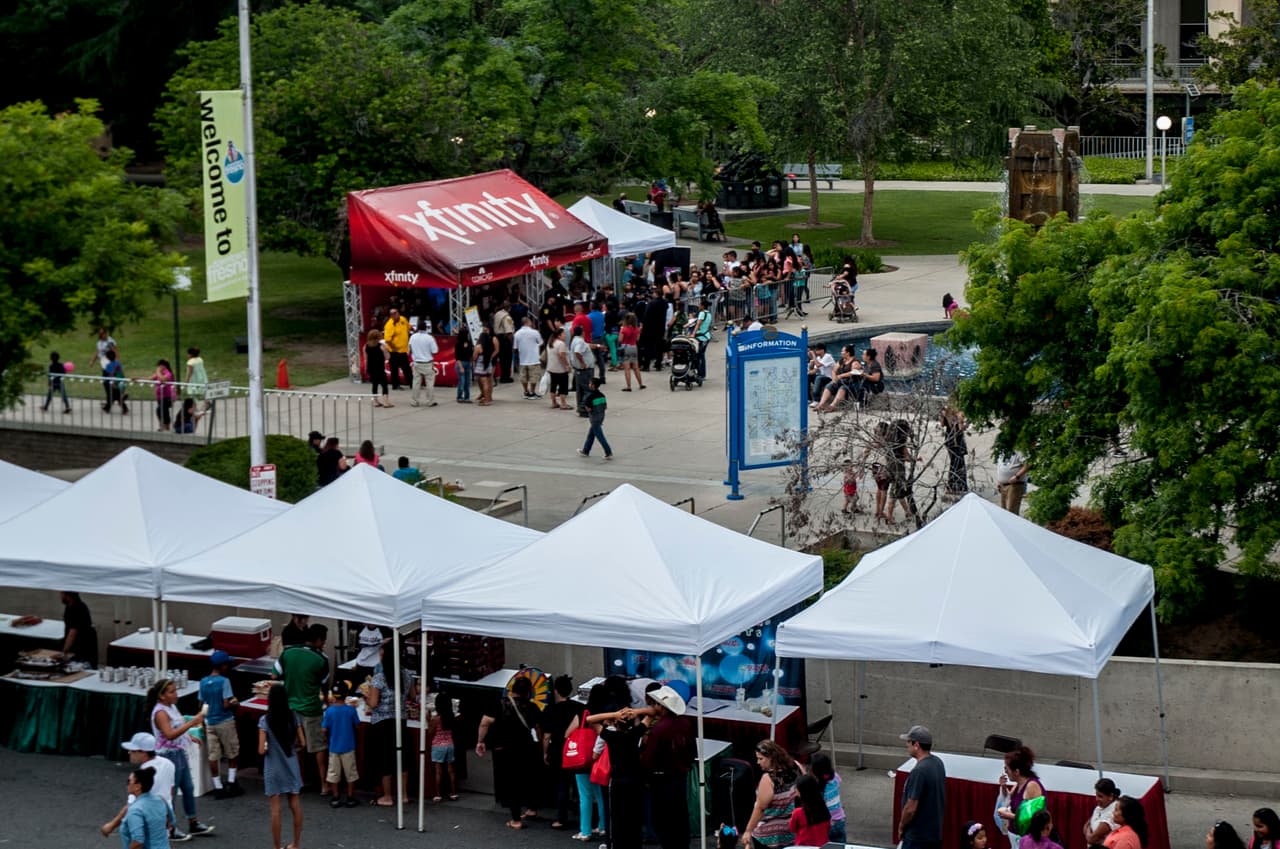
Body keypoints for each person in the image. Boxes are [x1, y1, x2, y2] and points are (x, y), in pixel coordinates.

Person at [146, 678, 213, 837]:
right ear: (162, 696)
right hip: (167, 756)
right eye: (172, 692)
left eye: (175, 690)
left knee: (188, 788)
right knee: (171, 793)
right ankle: (169, 828)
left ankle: (193, 822)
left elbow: (177, 727)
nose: (176, 694)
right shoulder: (160, 712)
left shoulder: (172, 707)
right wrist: (193, 723)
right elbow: (169, 734)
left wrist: (189, 737)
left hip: (178, 753)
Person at [475, 675, 543, 829]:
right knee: (529, 778)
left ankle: (516, 819)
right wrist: (540, 746)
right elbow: (538, 728)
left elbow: (484, 723)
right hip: (527, 748)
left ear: (511, 690)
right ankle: (532, 809)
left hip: (505, 749)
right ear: (529, 692)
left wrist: (480, 741)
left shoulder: (499, 704)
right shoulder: (532, 707)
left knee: (512, 783)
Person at [274, 623, 330, 794]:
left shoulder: (287, 653)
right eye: (323, 641)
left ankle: (299, 781)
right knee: (318, 747)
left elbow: (275, 674)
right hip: (312, 708)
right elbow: (324, 685)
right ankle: (324, 785)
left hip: (291, 708)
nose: (324, 644)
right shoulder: (321, 659)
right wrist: (326, 699)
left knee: (296, 746)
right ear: (318, 640)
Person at [639, 686, 696, 849]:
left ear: (662, 707)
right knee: (679, 817)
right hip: (679, 776)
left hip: (661, 779)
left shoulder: (659, 729)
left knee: (662, 821)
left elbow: (648, 758)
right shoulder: (685, 723)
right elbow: (692, 751)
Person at [103, 733, 177, 842]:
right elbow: (170, 792)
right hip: (162, 820)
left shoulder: (141, 775)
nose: (129, 753)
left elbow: (132, 805)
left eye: (133, 750)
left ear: (143, 752)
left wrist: (112, 825)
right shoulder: (169, 764)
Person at [259, 683, 304, 849]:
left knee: (275, 810)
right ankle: (296, 843)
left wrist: (267, 746)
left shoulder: (265, 720)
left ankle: (276, 847)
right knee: (295, 804)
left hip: (273, 767)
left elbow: (260, 749)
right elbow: (303, 742)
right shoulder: (293, 717)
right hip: (291, 764)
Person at [365, 642, 408, 807]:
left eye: (381, 654)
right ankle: (403, 795)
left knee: (385, 760)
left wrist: (366, 696)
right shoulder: (406, 674)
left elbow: (374, 703)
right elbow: (412, 695)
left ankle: (388, 796)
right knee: (402, 758)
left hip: (382, 723)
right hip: (401, 720)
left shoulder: (379, 679)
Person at [542, 675, 585, 830]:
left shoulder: (550, 709)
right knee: (579, 785)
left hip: (558, 750)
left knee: (562, 785)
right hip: (577, 749)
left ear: (555, 691)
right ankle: (583, 814)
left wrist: (545, 753)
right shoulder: (579, 707)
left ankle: (561, 818)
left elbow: (546, 736)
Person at [198, 650, 243, 798]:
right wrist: (234, 702)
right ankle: (231, 783)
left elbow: (201, 704)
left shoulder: (203, 682)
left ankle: (218, 787)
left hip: (210, 721)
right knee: (232, 752)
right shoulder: (225, 681)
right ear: (223, 666)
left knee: (213, 756)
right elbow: (225, 704)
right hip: (225, 721)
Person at [741, 739, 800, 848]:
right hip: (790, 830)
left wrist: (748, 830)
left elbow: (760, 808)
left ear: (771, 757)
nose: (758, 762)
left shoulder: (768, 779)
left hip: (768, 835)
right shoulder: (796, 767)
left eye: (761, 758)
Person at [897, 725, 945, 849]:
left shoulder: (919, 771)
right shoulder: (938, 763)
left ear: (916, 745)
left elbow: (911, 808)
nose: (907, 745)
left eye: (908, 741)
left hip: (917, 838)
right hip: (934, 835)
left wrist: (901, 826)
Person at [322, 682, 361, 808]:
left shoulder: (329, 711)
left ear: (333, 695)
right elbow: (357, 725)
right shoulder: (351, 710)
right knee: (350, 773)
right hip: (348, 746)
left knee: (333, 773)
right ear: (346, 695)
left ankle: (336, 797)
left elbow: (324, 729)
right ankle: (350, 797)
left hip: (334, 747)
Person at [114, 769, 175, 849]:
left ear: (138, 786)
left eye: (129, 781)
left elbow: (138, 841)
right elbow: (172, 822)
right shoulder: (160, 800)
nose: (127, 784)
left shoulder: (135, 810)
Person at [998, 746, 1044, 834]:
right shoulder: (1018, 784)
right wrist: (1003, 787)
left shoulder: (1032, 786)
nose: (1006, 772)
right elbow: (1008, 799)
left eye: (1006, 769)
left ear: (1016, 772)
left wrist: (1010, 816)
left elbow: (1033, 819)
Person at [428, 693, 460, 803]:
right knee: (451, 770)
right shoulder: (451, 718)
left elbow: (430, 732)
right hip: (450, 745)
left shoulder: (436, 719)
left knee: (438, 771)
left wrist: (428, 720)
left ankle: (438, 794)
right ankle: (453, 793)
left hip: (438, 746)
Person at [810, 753, 847, 844]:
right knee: (840, 844)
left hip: (827, 823)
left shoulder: (815, 786)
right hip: (840, 819)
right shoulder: (835, 777)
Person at [789, 773, 832, 848]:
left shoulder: (797, 812)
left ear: (802, 792)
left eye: (797, 787)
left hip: (803, 846)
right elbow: (828, 827)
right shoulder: (823, 808)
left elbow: (792, 829)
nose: (795, 789)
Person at [577, 376, 613, 460]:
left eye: (590, 383)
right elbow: (605, 407)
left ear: (592, 385)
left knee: (600, 436)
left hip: (594, 418)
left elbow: (589, 409)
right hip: (601, 417)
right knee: (591, 435)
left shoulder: (590, 397)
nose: (589, 384)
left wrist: (586, 408)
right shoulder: (602, 395)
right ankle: (586, 450)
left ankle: (608, 452)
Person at [60, 590, 98, 666]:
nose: (60, 596)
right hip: (76, 648)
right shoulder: (69, 607)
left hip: (83, 647)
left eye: (61, 594)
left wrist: (64, 652)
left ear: (66, 595)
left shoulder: (78, 608)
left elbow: (73, 632)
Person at [409, 320, 439, 407]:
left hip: (417, 362)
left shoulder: (413, 337)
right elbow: (435, 351)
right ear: (426, 327)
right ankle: (430, 401)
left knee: (416, 382)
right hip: (427, 362)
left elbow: (410, 349)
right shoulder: (430, 338)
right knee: (429, 383)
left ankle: (414, 401)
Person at [941, 404, 969, 498]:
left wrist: (944, 416)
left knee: (954, 463)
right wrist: (965, 424)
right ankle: (958, 487)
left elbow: (942, 424)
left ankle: (952, 486)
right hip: (957, 441)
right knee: (959, 463)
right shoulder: (959, 413)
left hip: (949, 440)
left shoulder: (946, 412)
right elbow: (961, 428)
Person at [1085, 778, 1121, 848]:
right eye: (1096, 795)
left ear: (1110, 796)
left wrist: (1089, 833)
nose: (1097, 799)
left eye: (1100, 796)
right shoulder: (1099, 807)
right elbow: (1086, 826)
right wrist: (1089, 834)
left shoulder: (1113, 813)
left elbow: (1091, 839)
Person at [514, 316, 543, 399]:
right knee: (534, 376)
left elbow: (515, 347)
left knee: (524, 377)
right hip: (533, 358)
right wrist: (535, 346)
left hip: (523, 358)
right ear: (527, 322)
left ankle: (526, 391)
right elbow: (541, 342)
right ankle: (532, 392)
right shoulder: (535, 332)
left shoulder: (517, 333)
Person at [383, 308, 412, 390]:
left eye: (395, 313)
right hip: (394, 351)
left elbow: (408, 327)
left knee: (406, 368)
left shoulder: (403, 319)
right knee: (394, 368)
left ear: (398, 313)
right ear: (390, 316)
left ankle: (411, 383)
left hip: (403, 350)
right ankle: (395, 385)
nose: (394, 315)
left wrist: (413, 329)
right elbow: (388, 340)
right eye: (392, 314)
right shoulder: (389, 325)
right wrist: (394, 348)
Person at [545, 326, 572, 410]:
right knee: (563, 386)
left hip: (551, 367)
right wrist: (567, 365)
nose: (565, 335)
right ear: (559, 335)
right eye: (563, 334)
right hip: (560, 369)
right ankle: (563, 403)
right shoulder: (561, 344)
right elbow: (561, 356)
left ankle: (554, 402)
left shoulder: (551, 343)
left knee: (553, 385)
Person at [570, 325, 595, 416]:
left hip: (579, 370)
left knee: (580, 390)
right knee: (587, 389)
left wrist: (597, 346)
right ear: (582, 332)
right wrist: (583, 362)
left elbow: (586, 346)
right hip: (584, 369)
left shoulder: (575, 340)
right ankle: (583, 408)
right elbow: (577, 352)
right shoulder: (579, 341)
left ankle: (580, 408)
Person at [618, 313, 646, 391]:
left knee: (627, 368)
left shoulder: (623, 329)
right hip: (634, 347)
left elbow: (620, 340)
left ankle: (629, 386)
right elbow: (637, 339)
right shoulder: (636, 329)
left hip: (625, 347)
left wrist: (620, 331)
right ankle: (640, 384)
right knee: (636, 367)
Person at [366, 329, 393, 408]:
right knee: (384, 384)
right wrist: (386, 351)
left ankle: (375, 401)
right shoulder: (381, 346)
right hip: (379, 368)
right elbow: (387, 357)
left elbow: (366, 358)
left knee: (374, 384)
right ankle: (385, 401)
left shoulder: (366, 346)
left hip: (371, 368)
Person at [996, 450, 1029, 515]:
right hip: (1002, 485)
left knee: (1011, 512)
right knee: (1003, 511)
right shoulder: (1002, 450)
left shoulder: (1019, 450)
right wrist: (998, 480)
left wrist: (1017, 476)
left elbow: (1027, 464)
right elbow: (999, 466)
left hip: (1014, 485)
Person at [148, 359, 177, 431]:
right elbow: (150, 378)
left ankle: (165, 425)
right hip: (160, 396)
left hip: (168, 397)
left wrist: (158, 371)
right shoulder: (159, 373)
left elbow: (162, 379)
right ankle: (164, 425)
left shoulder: (168, 373)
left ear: (164, 366)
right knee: (161, 410)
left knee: (161, 410)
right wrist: (137, 378)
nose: (158, 367)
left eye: (159, 366)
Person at [473, 322, 496, 405]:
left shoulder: (478, 347)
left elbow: (474, 357)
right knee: (488, 382)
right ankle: (488, 398)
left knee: (484, 383)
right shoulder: (489, 346)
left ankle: (486, 400)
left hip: (481, 366)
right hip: (488, 365)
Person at [494, 300, 516, 382]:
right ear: (509, 308)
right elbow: (509, 331)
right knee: (507, 359)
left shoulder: (497, 314)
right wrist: (512, 343)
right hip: (505, 339)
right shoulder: (507, 317)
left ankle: (502, 375)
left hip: (498, 337)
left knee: (501, 358)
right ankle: (505, 377)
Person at [693, 297, 714, 380]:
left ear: (702, 306)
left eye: (699, 305)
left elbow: (698, 324)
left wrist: (693, 334)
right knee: (702, 356)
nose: (698, 306)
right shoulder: (709, 314)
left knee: (699, 356)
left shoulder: (702, 314)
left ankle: (700, 373)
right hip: (706, 336)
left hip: (701, 337)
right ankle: (702, 374)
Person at [102, 348, 129, 413]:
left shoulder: (108, 365)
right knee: (114, 396)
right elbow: (121, 372)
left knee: (115, 396)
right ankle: (107, 407)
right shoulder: (118, 363)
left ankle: (124, 408)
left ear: (107, 358)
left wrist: (113, 384)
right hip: (120, 380)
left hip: (114, 383)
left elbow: (111, 375)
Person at [454, 325, 474, 403]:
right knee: (462, 381)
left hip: (468, 363)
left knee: (467, 382)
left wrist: (472, 363)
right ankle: (459, 396)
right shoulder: (458, 344)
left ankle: (467, 397)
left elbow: (471, 354)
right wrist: (461, 367)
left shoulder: (469, 343)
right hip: (461, 363)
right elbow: (457, 357)